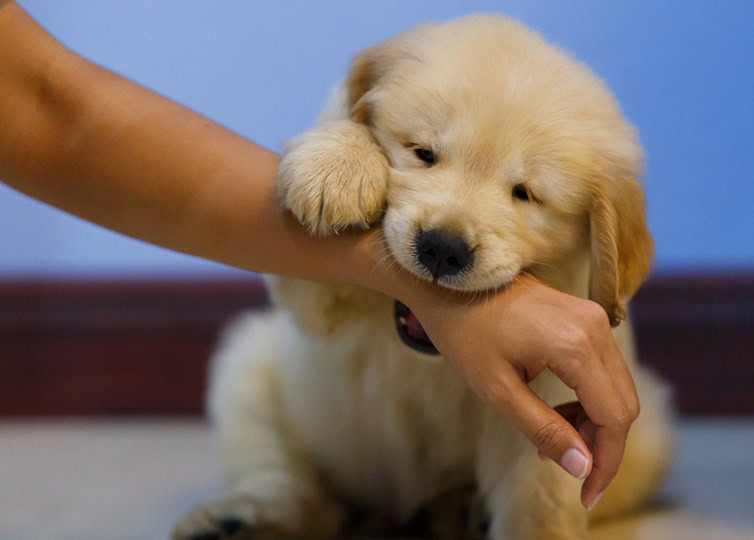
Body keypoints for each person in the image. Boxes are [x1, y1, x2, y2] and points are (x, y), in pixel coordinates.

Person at [0, 1, 638, 510]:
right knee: (249, 368)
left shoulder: (593, 234)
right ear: (361, 105)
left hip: (492, 467)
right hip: (335, 449)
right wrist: (344, 142)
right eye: (423, 153)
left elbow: (46, 107)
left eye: (526, 192)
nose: (449, 232)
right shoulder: (368, 111)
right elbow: (312, 306)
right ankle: (277, 498)